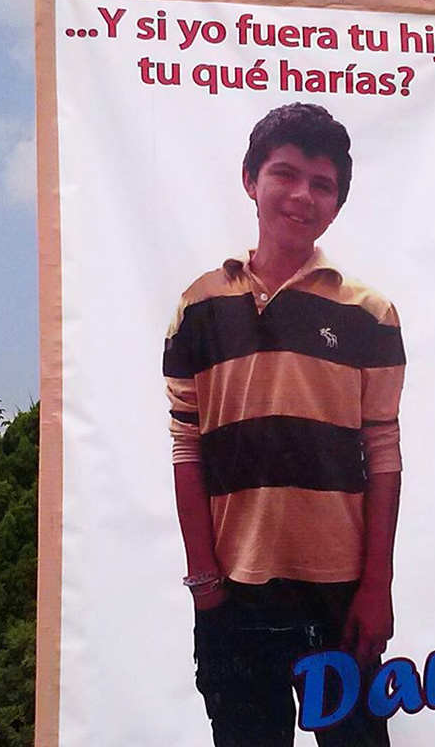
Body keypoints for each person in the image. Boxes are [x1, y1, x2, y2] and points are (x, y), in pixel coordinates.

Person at [163, 102, 406, 746]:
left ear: (337, 203)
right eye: (285, 174)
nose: (302, 195)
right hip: (234, 594)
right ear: (252, 179)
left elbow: (383, 454)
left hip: (341, 599)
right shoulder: (197, 307)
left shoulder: (370, 314)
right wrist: (204, 584)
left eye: (322, 184)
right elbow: (186, 447)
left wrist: (376, 586)